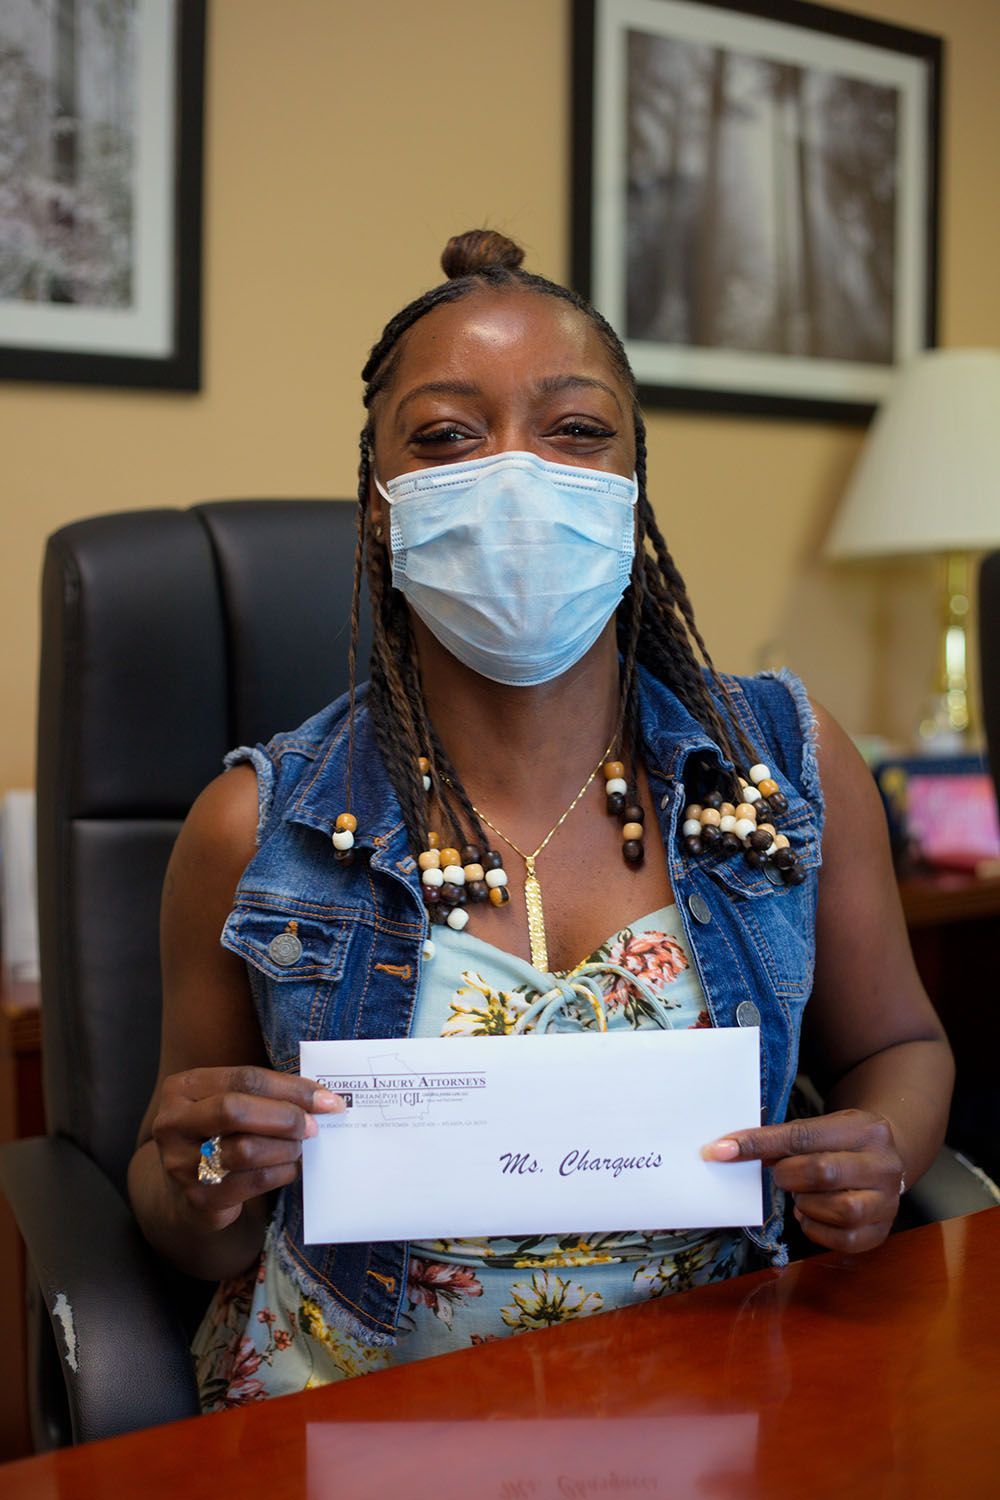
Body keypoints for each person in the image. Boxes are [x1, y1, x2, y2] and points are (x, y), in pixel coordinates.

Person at [128, 230, 953, 1408]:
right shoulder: (255, 827)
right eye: (448, 436)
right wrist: (207, 1171)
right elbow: (189, 1219)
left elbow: (901, 1051)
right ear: (379, 505)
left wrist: (884, 1153)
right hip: (357, 1401)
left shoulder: (784, 762)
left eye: (574, 430)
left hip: (722, 1391)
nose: (515, 475)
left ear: (628, 489)